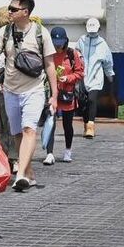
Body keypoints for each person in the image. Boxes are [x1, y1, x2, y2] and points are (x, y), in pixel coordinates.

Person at [0, 0, 58, 192]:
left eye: (13, 9)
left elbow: (50, 65)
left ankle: (20, 175)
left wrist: (53, 95)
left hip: (34, 89)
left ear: (25, 12)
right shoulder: (4, 33)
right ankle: (29, 174)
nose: (9, 11)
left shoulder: (40, 33)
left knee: (29, 130)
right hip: (10, 90)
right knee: (17, 133)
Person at [39, 27, 84, 164]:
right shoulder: (47, 54)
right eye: (55, 43)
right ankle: (50, 153)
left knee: (67, 124)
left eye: (61, 43)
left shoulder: (72, 54)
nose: (58, 47)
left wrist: (68, 78)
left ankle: (67, 151)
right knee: (50, 123)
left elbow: (80, 73)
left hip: (67, 95)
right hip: (52, 94)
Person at [76, 17, 114, 138]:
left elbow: (108, 61)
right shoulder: (81, 41)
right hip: (82, 77)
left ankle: (91, 127)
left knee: (92, 99)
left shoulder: (103, 44)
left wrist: (110, 75)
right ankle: (86, 124)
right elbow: (76, 55)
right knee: (83, 102)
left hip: (96, 77)